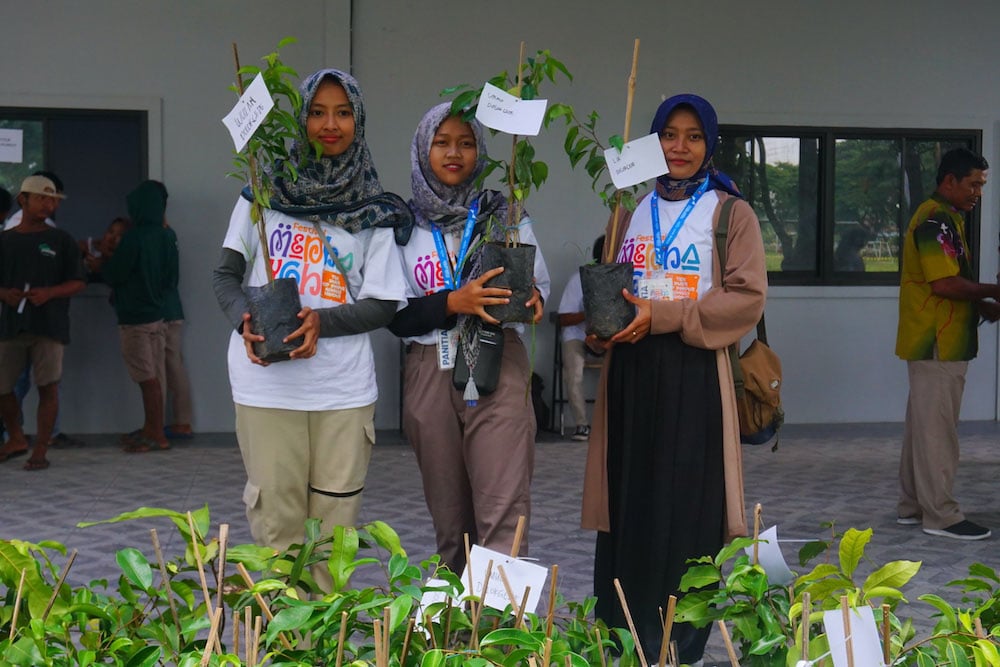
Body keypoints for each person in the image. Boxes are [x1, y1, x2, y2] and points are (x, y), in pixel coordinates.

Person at [581, 94, 767, 665]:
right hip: (631, 378)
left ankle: (679, 642)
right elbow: (611, 292)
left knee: (687, 506)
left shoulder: (730, 213)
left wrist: (664, 316)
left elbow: (746, 299)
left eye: (692, 135)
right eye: (668, 134)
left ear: (710, 142)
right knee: (632, 503)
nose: (679, 146)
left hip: (694, 374)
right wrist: (600, 329)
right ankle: (626, 635)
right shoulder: (628, 211)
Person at [212, 69, 410, 567]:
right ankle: (281, 644)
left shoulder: (375, 210)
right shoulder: (261, 193)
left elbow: (384, 304)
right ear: (300, 119)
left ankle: (327, 645)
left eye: (343, 113)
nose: (330, 124)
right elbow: (224, 278)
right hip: (267, 387)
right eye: (318, 112)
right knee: (277, 525)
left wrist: (321, 322)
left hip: (341, 391)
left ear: (358, 121)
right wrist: (243, 321)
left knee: (332, 533)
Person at [388, 103, 549, 573]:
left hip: (499, 360)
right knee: (450, 518)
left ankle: (500, 639)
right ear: (423, 148)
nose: (454, 153)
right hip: (429, 366)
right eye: (442, 142)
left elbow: (537, 283)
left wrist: (534, 296)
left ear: (481, 151)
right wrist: (451, 303)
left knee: (503, 507)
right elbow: (394, 316)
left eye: (466, 142)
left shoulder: (504, 214)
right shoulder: (401, 225)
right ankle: (456, 633)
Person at [895, 147, 997, 541]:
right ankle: (942, 516)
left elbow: (947, 284)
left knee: (922, 425)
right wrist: (994, 291)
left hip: (933, 338)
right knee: (938, 428)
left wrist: (983, 304)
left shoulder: (943, 216)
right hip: (937, 340)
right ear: (949, 181)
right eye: (973, 183)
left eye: (982, 185)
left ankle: (912, 505)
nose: (978, 192)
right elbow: (945, 284)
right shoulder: (936, 219)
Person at [0, 175, 86, 470]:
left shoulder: (60, 240)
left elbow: (78, 282)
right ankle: (16, 437)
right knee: (3, 388)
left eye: (53, 201)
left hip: (49, 326)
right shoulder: (5, 241)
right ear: (23, 200)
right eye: (42, 199)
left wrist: (50, 292)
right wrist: (5, 294)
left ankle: (40, 450)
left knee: (48, 387)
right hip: (11, 325)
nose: (48, 205)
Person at [102, 180, 177, 453]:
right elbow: (172, 280)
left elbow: (115, 274)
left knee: (147, 379)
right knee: (155, 375)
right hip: (158, 315)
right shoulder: (167, 236)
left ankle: (156, 435)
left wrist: (102, 261)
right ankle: (150, 429)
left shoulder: (135, 237)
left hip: (134, 317)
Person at [557, 236, 604, 441]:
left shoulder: (618, 277)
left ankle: (611, 425)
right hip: (577, 334)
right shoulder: (579, 278)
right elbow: (563, 318)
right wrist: (591, 313)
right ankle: (582, 424)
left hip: (606, 337)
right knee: (573, 373)